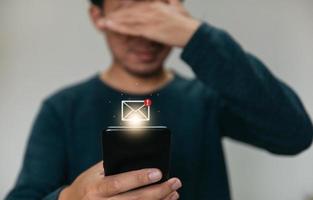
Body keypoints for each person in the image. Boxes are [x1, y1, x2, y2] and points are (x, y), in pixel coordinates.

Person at [5, 0, 313, 199]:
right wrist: (71, 197)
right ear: (98, 16)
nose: (146, 37)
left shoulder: (206, 99)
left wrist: (197, 36)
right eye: (130, 16)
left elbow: (294, 134)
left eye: (157, 15)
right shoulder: (62, 108)